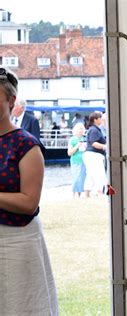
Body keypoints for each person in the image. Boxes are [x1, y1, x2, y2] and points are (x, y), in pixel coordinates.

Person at [0, 67, 58, 314]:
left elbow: (29, 202)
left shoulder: (25, 144)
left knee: (20, 307)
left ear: (11, 101)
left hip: (17, 242)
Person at [82, 112, 107, 197]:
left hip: (91, 155)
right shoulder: (94, 130)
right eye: (100, 118)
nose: (101, 119)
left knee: (91, 174)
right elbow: (94, 143)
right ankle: (98, 192)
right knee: (99, 173)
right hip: (94, 155)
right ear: (95, 120)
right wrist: (105, 146)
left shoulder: (94, 129)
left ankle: (88, 194)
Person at [68, 122, 87, 198]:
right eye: (79, 129)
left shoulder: (84, 139)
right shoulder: (72, 139)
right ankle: (73, 194)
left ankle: (79, 194)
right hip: (75, 161)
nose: (81, 131)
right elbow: (69, 152)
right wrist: (77, 146)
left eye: (82, 129)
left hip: (84, 161)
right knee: (76, 177)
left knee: (82, 178)